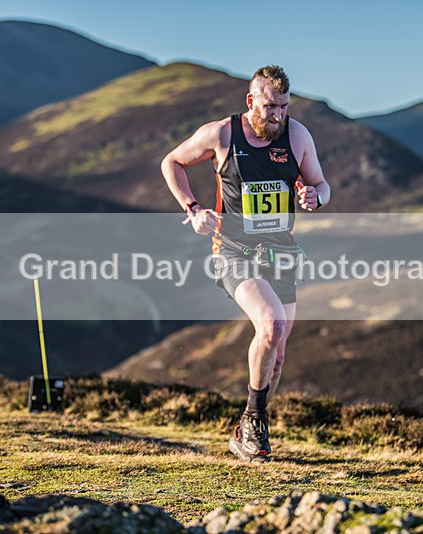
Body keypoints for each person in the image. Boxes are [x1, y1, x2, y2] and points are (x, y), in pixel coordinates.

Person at [161, 65, 330, 461]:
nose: (277, 115)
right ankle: (255, 424)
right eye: (270, 106)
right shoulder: (222, 134)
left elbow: (321, 184)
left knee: (279, 350)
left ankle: (247, 428)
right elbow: (171, 162)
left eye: (284, 107)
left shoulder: (297, 135)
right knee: (271, 324)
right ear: (251, 100)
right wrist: (192, 208)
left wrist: (315, 198)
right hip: (233, 249)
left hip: (281, 251)